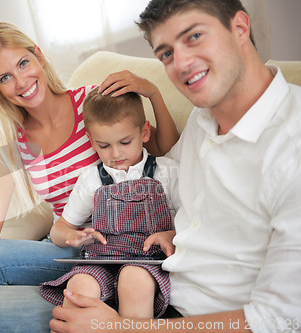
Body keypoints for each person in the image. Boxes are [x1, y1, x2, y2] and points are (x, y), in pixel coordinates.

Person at [49, 0, 301, 332]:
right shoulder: (203, 117)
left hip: (184, 317)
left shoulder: (290, 146)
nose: (180, 63)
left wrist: (122, 328)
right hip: (149, 280)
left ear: (240, 27)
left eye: (194, 36)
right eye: (166, 53)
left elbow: (280, 319)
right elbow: (165, 166)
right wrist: (172, 232)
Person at [0, 22, 179, 333]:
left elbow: (160, 147)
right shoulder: (12, 143)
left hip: (125, 241)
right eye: (5, 78)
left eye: (23, 63)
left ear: (39, 56)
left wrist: (152, 91)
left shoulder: (92, 104)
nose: (21, 82)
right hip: (68, 243)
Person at [39, 87, 180, 319]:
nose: (115, 154)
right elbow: (59, 229)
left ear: (145, 132)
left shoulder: (168, 171)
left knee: (134, 281)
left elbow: (196, 221)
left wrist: (171, 234)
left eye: (125, 142)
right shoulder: (91, 179)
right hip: (100, 261)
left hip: (146, 262)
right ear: (91, 141)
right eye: (104, 146)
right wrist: (72, 237)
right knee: (78, 288)